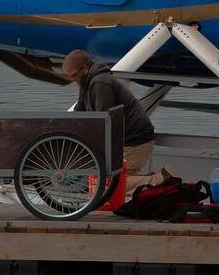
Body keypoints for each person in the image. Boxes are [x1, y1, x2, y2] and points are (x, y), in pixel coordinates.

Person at [61, 49, 157, 179]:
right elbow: (79, 112)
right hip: (123, 142)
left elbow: (103, 121)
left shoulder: (100, 83)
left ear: (85, 67)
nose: (73, 80)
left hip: (135, 143)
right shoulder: (86, 83)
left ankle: (159, 181)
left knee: (115, 184)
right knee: (107, 182)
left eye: (73, 75)